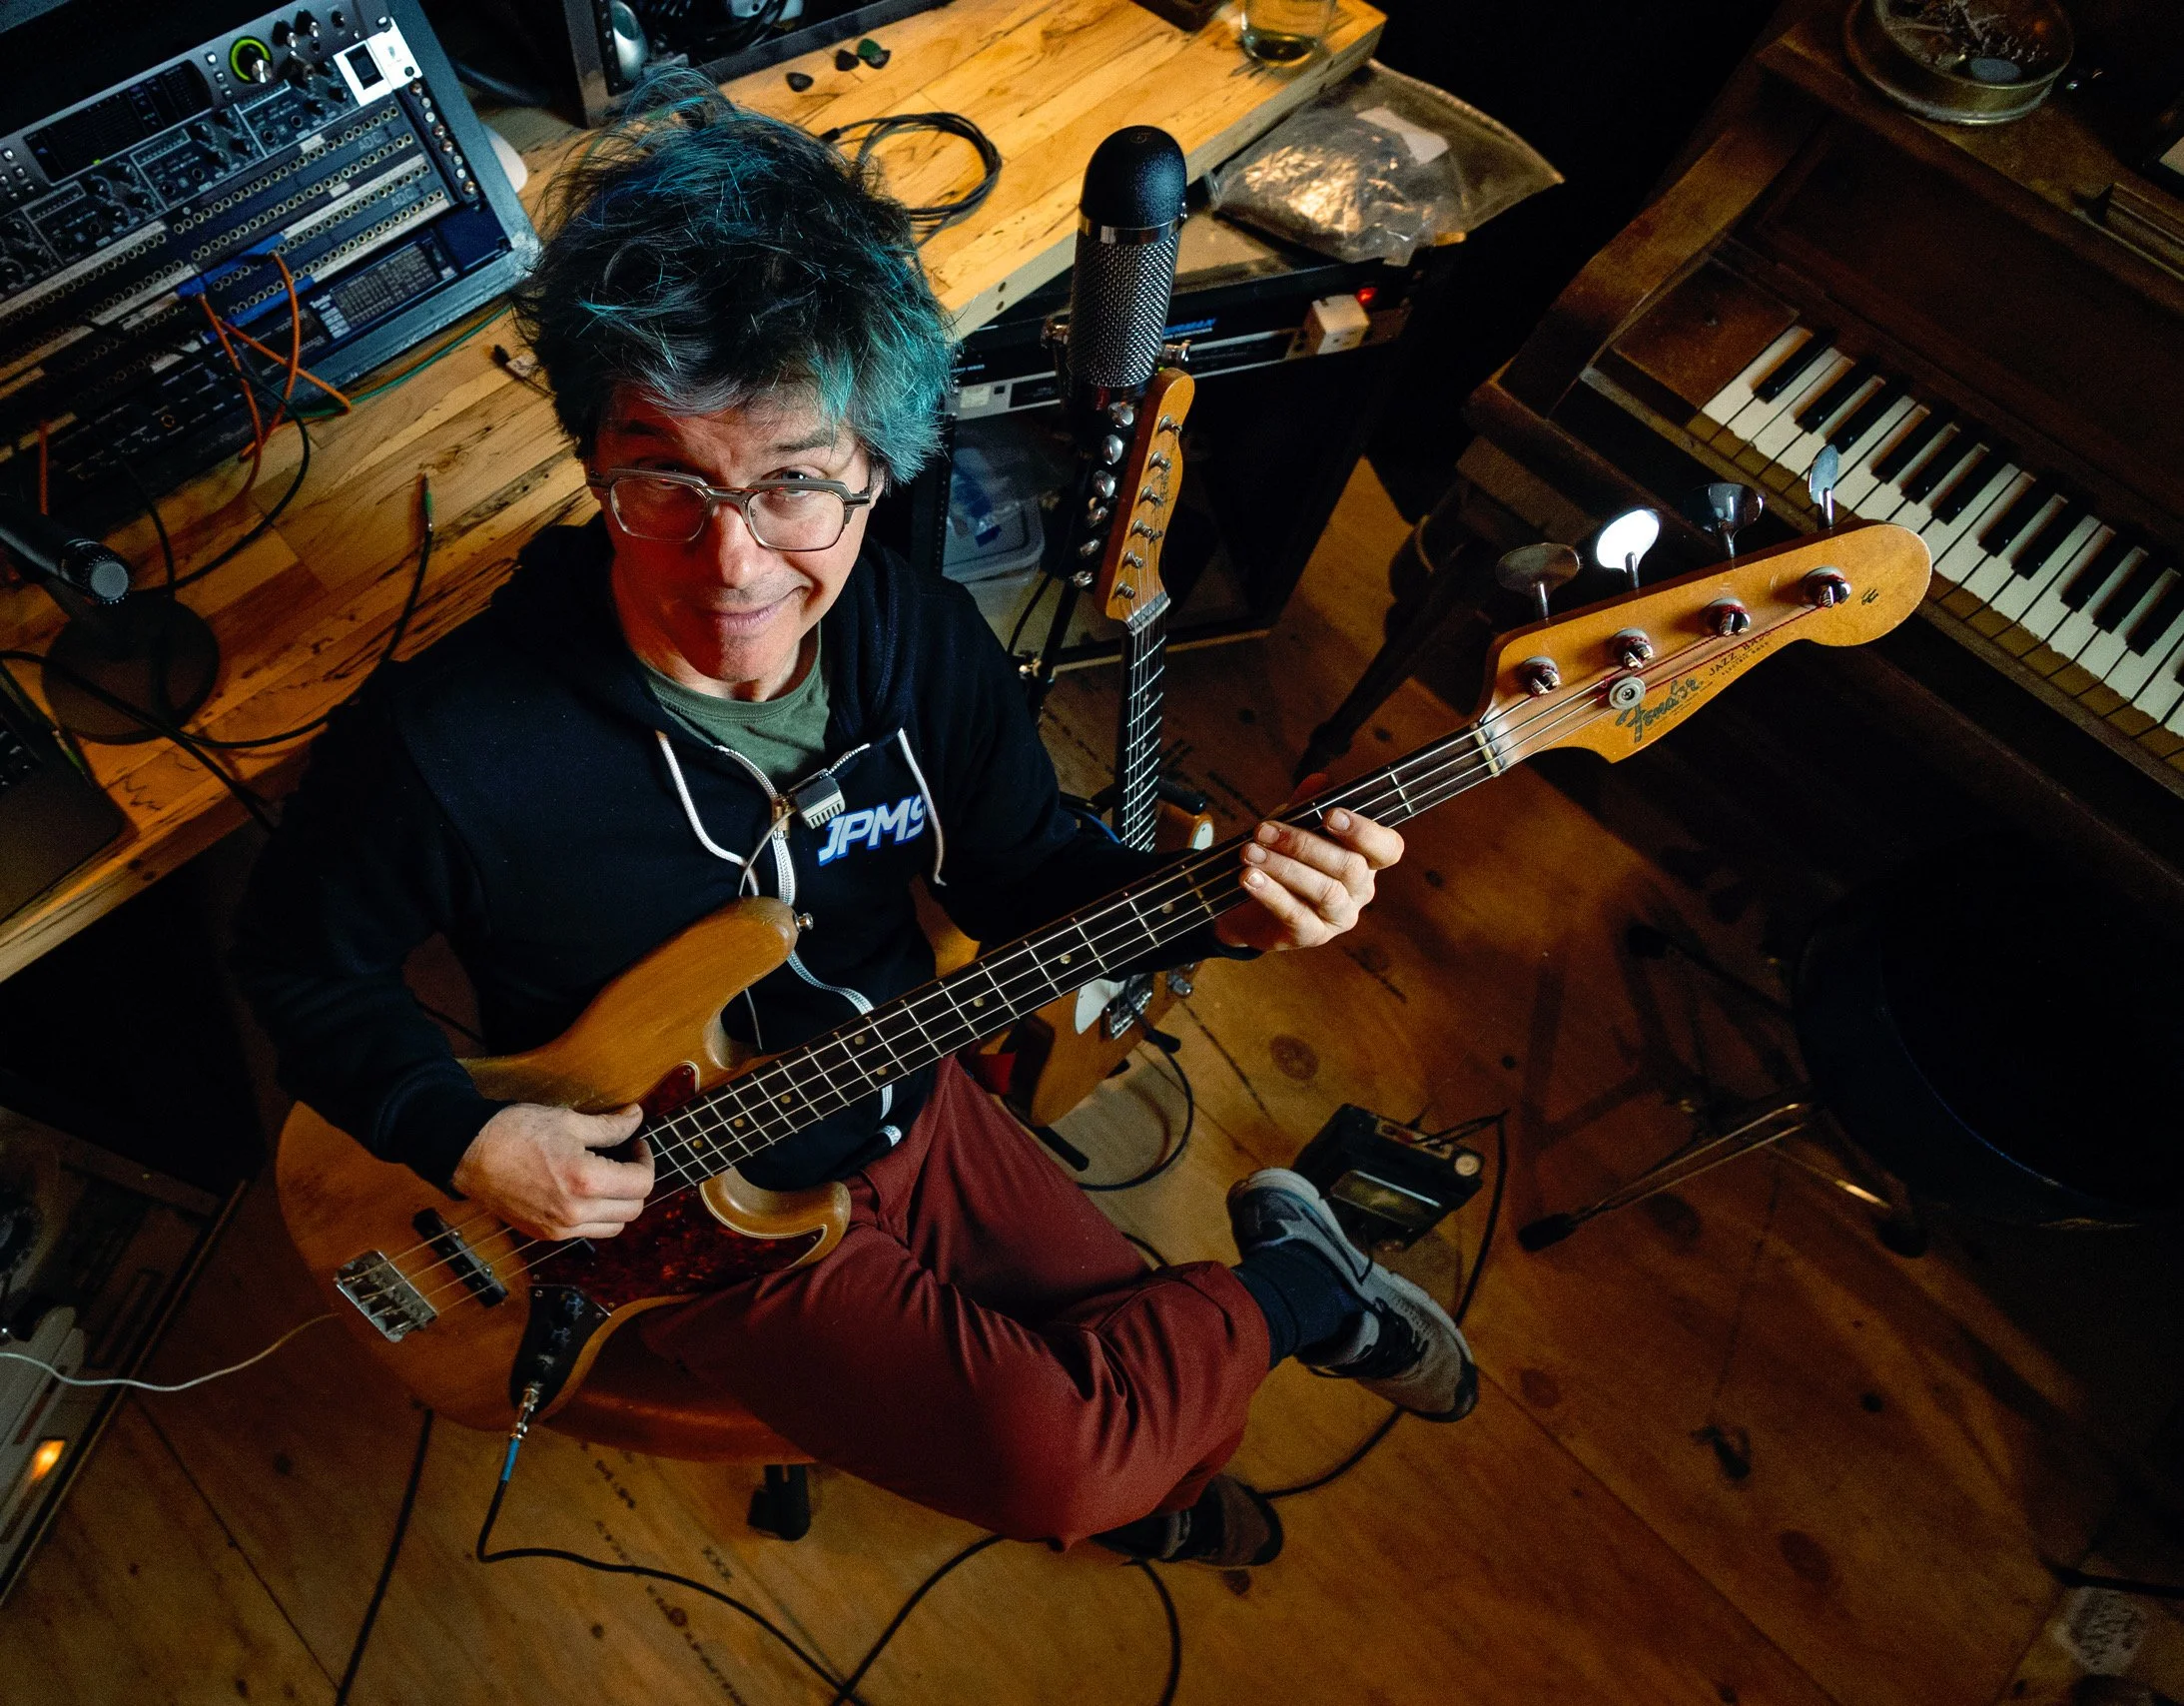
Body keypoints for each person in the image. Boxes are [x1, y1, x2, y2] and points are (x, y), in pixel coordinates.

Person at [233, 85, 1474, 1570]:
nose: (729, 564)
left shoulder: (916, 636)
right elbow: (300, 965)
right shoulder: (447, 745)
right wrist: (467, 1135)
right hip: (667, 1210)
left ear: (879, 468)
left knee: (1156, 1415)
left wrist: (1219, 902)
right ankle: (1308, 1300)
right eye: (663, 481)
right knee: (1080, 1458)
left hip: (906, 1097)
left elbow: (1029, 878)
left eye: (795, 487)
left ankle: (1186, 1443)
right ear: (593, 458)